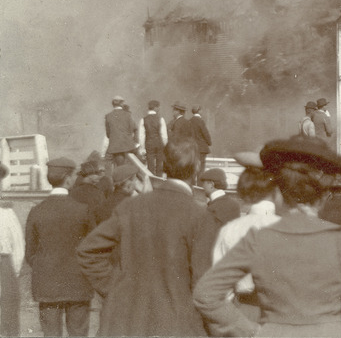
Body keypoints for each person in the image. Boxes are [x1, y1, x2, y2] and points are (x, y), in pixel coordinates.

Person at [193, 136, 341, 337]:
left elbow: (206, 294)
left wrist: (250, 331)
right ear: (323, 194)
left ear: (277, 192)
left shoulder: (258, 239)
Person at [77, 139, 218, 337]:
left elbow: (88, 250)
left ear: (163, 166)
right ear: (197, 169)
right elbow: (203, 284)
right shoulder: (200, 216)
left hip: (126, 323)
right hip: (176, 324)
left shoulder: (130, 207)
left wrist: (115, 288)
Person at [25, 157, 94, 337]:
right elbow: (93, 248)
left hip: (47, 284)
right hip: (78, 283)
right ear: (69, 178)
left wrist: (46, 267)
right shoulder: (83, 210)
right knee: (79, 333)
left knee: (51, 334)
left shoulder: (36, 211)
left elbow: (30, 253)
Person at [212, 152, 282, 323]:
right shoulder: (289, 228)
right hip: (283, 315)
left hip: (244, 312)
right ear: (275, 190)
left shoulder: (230, 230)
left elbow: (219, 286)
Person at [0, 164, 24, 337]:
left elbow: (18, 247)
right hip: (5, 266)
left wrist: (9, 272)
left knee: (8, 316)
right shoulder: (6, 213)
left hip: (4, 265)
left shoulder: (6, 213)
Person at [69, 159, 106, 226]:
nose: (99, 176)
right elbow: (103, 215)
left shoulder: (73, 192)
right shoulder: (97, 193)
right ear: (89, 175)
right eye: (97, 174)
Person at [105, 96, 137, 166]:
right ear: (122, 104)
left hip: (115, 146)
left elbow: (108, 134)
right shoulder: (128, 115)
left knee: (114, 163)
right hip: (128, 145)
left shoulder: (108, 116)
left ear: (113, 104)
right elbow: (131, 129)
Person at [138, 100, 168, 176]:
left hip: (149, 144)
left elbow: (141, 136)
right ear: (156, 108)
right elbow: (164, 136)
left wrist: (142, 148)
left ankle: (151, 183)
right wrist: (165, 146)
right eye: (159, 107)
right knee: (159, 165)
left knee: (150, 165)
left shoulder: (143, 120)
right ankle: (159, 182)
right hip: (159, 144)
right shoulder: (161, 119)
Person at [190, 106, 213, 175]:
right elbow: (205, 133)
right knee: (201, 170)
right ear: (199, 111)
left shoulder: (189, 121)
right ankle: (200, 185)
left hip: (192, 148)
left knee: (193, 168)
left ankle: (193, 185)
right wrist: (209, 142)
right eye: (201, 110)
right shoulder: (201, 121)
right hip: (201, 149)